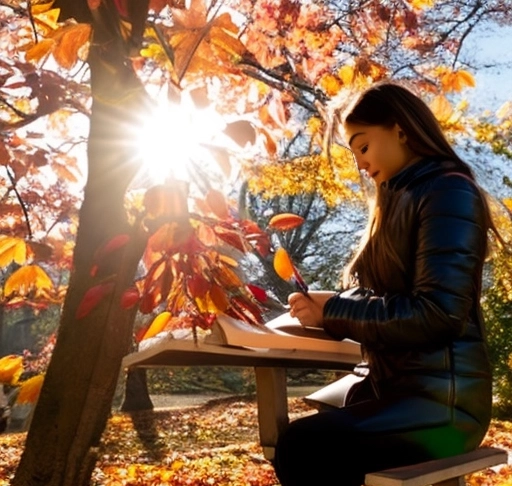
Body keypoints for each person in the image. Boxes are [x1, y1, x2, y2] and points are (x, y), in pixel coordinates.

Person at [273, 80, 500, 486]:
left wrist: (335, 313)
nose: (359, 163)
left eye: (362, 146)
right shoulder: (399, 198)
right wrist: (333, 302)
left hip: (446, 405)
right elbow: (387, 295)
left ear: (400, 129)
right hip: (396, 391)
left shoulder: (449, 192)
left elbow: (436, 313)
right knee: (311, 432)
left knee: (303, 446)